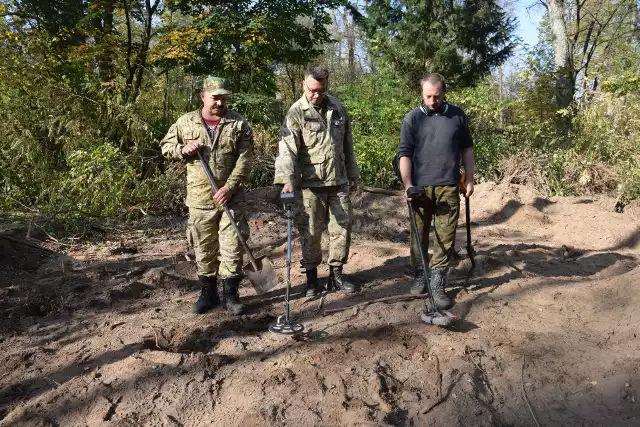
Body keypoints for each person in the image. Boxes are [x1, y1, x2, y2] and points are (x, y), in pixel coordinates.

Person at [161, 76, 253, 315]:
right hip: (200, 199)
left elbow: (245, 160)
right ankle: (208, 294)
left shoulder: (238, 123)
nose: (220, 103)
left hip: (232, 198)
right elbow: (165, 147)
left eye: (224, 98)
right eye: (215, 98)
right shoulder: (185, 122)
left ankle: (231, 295)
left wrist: (230, 187)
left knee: (232, 246)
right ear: (203, 96)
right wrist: (182, 149)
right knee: (204, 247)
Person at [274, 65, 360, 297]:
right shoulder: (296, 113)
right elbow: (287, 149)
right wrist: (286, 180)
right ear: (304, 85)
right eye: (312, 90)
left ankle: (336, 275)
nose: (315, 95)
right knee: (310, 232)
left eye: (320, 91)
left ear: (327, 87)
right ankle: (312, 279)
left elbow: (347, 145)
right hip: (310, 184)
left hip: (338, 181)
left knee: (342, 229)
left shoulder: (338, 108)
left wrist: (353, 174)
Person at [397, 72, 475, 309]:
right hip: (419, 188)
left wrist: (469, 178)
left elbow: (467, 149)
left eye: (437, 96)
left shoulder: (457, 116)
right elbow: (404, 154)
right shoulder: (412, 119)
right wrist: (408, 184)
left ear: (444, 93)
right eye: (428, 96)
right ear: (422, 94)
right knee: (418, 235)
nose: (432, 101)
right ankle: (420, 273)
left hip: (448, 186)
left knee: (445, 236)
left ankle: (438, 281)